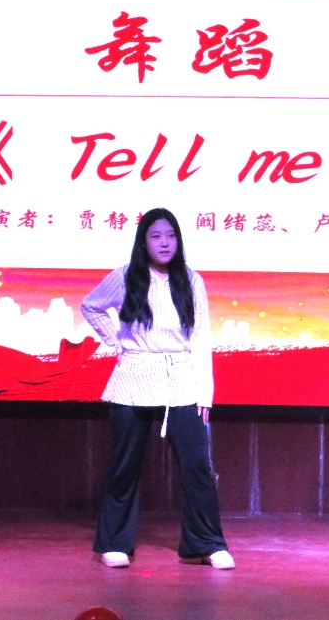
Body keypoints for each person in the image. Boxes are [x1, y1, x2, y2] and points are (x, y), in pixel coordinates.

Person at [80, 208, 233, 570]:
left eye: (171, 235)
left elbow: (200, 337)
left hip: (181, 378)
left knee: (197, 465)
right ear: (143, 242)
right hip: (134, 376)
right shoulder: (125, 276)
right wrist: (116, 340)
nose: (165, 243)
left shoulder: (191, 280)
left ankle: (206, 544)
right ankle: (115, 543)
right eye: (156, 236)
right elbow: (92, 306)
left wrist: (205, 393)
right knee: (125, 465)